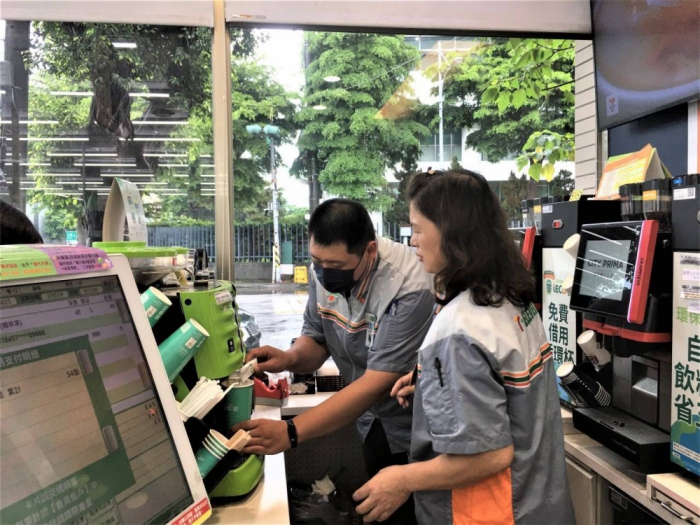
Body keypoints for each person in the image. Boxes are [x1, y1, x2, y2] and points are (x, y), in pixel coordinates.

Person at [353, 169, 575, 524]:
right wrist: (434, 385)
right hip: (539, 502)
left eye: (418, 229)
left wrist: (401, 479)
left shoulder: (459, 329)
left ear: (451, 233)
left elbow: (488, 455)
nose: (413, 242)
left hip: (489, 514)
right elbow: (503, 393)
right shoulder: (510, 299)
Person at [235, 198, 435, 524]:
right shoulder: (324, 268)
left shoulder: (409, 287)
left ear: (370, 251)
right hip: (369, 420)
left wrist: (291, 432)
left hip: (412, 424)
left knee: (412, 514)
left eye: (336, 265)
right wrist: (289, 358)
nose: (324, 272)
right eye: (317, 261)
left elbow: (377, 383)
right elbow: (318, 339)